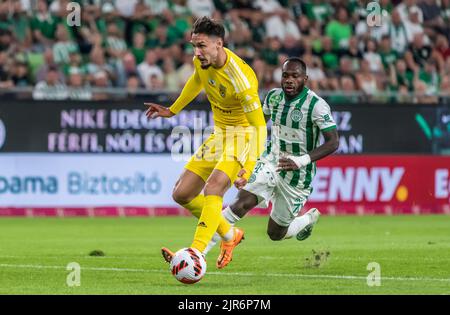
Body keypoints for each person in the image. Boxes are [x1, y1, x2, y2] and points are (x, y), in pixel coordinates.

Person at [144, 16, 267, 269]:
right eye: (193, 46)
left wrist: (250, 164)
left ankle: (195, 253)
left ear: (219, 44)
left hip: (243, 135)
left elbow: (259, 127)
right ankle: (231, 235)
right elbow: (196, 81)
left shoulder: (241, 80)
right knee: (182, 193)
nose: (196, 52)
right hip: (220, 134)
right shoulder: (202, 61)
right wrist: (172, 110)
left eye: (201, 46)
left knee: (214, 188)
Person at [204, 57, 339, 254]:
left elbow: (333, 142)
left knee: (275, 233)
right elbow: (256, 127)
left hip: (298, 176)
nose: (289, 80)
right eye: (285, 75)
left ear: (305, 79)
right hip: (271, 161)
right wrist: (244, 159)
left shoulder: (316, 105)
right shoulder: (273, 97)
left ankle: (307, 219)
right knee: (241, 203)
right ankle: (199, 252)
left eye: (295, 76)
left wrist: (300, 160)